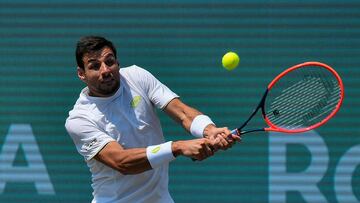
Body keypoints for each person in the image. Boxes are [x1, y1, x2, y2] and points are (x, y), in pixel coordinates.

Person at [65, 36, 240, 203]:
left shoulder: (136, 76)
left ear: (117, 63)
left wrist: (209, 130)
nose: (105, 70)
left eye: (109, 62)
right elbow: (122, 161)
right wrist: (177, 147)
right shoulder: (79, 120)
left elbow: (182, 113)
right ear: (81, 74)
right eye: (95, 66)